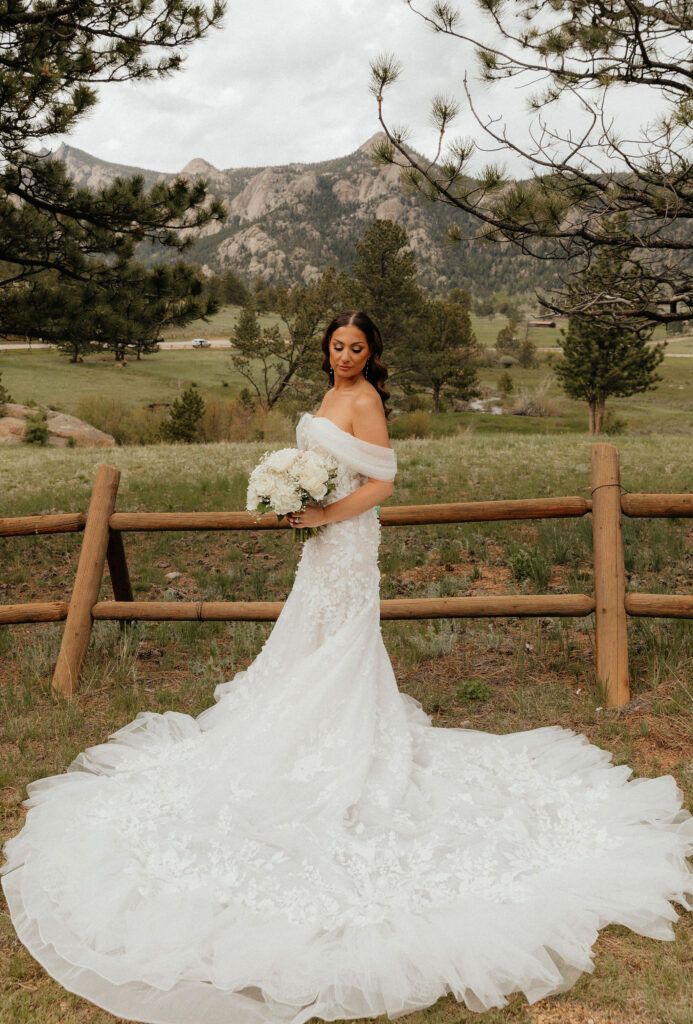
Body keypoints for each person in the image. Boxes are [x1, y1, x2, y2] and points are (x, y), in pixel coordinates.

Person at [1, 310, 692, 1024]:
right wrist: (292, 498)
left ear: (371, 353)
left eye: (356, 348)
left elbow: (384, 482)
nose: (345, 357)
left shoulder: (365, 400)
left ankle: (349, 742)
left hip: (349, 542)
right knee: (306, 640)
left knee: (343, 646)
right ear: (325, 350)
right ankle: (300, 732)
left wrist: (324, 515)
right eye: (336, 347)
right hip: (320, 543)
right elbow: (324, 469)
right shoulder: (330, 395)